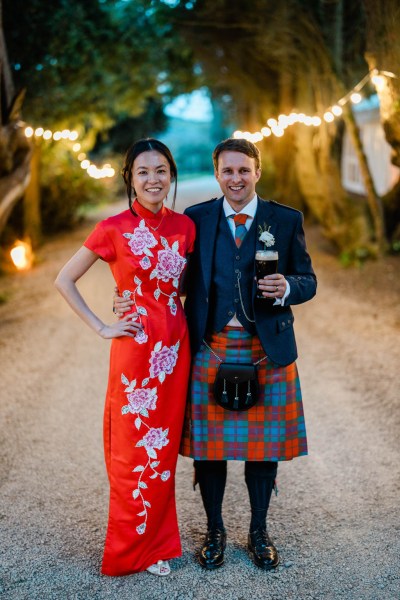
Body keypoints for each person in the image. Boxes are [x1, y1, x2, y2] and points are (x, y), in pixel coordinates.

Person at [114, 137, 317, 571]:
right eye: (227, 171)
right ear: (217, 174)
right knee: (210, 450)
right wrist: (129, 299)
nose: (236, 178)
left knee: (263, 450)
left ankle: (259, 531)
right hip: (210, 345)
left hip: (267, 348)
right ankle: (215, 529)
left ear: (257, 172)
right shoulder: (198, 219)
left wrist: (289, 288)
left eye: (244, 170)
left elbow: (308, 278)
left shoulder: (284, 219)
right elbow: (169, 278)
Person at [55, 138, 196, 577]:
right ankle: (130, 548)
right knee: (135, 450)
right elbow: (64, 279)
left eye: (161, 171)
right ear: (129, 179)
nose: (153, 179)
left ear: (171, 175)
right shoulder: (112, 228)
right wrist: (102, 325)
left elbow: (186, 287)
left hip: (176, 351)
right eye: (143, 172)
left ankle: (158, 543)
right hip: (136, 353)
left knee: (164, 452)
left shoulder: (185, 228)